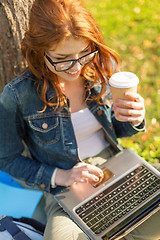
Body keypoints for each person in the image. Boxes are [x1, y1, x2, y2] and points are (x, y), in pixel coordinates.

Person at [0, 0, 159, 239]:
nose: (76, 67)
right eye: (63, 58)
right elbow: (7, 158)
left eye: (84, 52)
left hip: (119, 169)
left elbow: (121, 130)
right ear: (40, 49)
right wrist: (60, 176)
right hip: (66, 189)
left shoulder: (101, 69)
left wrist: (134, 117)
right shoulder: (18, 95)